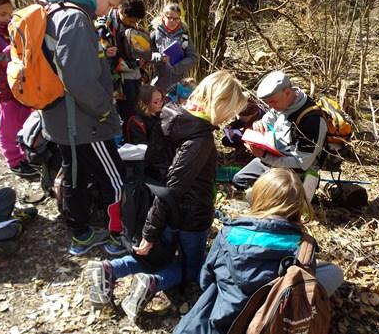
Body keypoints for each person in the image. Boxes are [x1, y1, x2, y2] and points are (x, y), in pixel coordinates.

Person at [86, 70, 248, 320]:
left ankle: (109, 269)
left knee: (158, 256)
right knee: (192, 267)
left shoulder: (173, 114)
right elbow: (174, 187)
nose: (231, 117)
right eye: (231, 110)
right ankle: (151, 283)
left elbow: (162, 170)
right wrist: (150, 233)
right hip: (189, 215)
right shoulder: (200, 138)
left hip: (166, 209)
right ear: (220, 102)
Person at [173, 168, 343, 334]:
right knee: (334, 272)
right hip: (274, 319)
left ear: (258, 197)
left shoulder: (228, 234)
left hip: (224, 318)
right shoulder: (304, 246)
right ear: (299, 204)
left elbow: (205, 279)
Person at [41, 0, 127, 256]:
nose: (107, 11)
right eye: (110, 3)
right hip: (86, 122)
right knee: (114, 177)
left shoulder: (54, 10)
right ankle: (117, 234)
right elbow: (79, 80)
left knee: (74, 174)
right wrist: (104, 110)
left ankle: (80, 233)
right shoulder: (76, 19)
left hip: (61, 121)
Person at [233, 70, 328, 201]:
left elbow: (301, 164)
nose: (270, 106)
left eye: (272, 102)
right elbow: (269, 117)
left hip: (294, 171)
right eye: (268, 103)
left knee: (270, 199)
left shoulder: (312, 121)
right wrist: (259, 123)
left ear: (287, 92)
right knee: (239, 181)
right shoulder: (283, 104)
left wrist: (264, 156)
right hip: (274, 157)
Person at [0, 0, 37, 177]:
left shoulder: (10, 29)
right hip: (4, 89)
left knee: (25, 120)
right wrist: (14, 49)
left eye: (10, 14)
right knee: (9, 126)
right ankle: (14, 160)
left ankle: (26, 154)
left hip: (20, 85)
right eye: (3, 14)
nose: (8, 17)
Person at [96, 0, 146, 129]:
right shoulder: (104, 26)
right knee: (126, 116)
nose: (132, 24)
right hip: (117, 83)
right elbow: (111, 62)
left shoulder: (135, 27)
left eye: (135, 22)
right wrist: (134, 64)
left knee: (138, 112)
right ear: (121, 10)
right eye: (130, 21)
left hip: (136, 77)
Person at [125, 84, 173, 182]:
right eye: (156, 102)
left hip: (167, 162)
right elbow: (142, 150)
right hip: (151, 169)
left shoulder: (163, 115)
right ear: (145, 103)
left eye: (161, 100)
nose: (160, 103)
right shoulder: (137, 122)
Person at [150, 3, 199, 93]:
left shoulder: (184, 35)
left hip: (180, 83)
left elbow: (194, 57)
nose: (173, 21)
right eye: (170, 18)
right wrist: (159, 57)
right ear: (163, 16)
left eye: (176, 19)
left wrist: (177, 67)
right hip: (160, 82)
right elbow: (147, 55)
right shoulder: (155, 34)